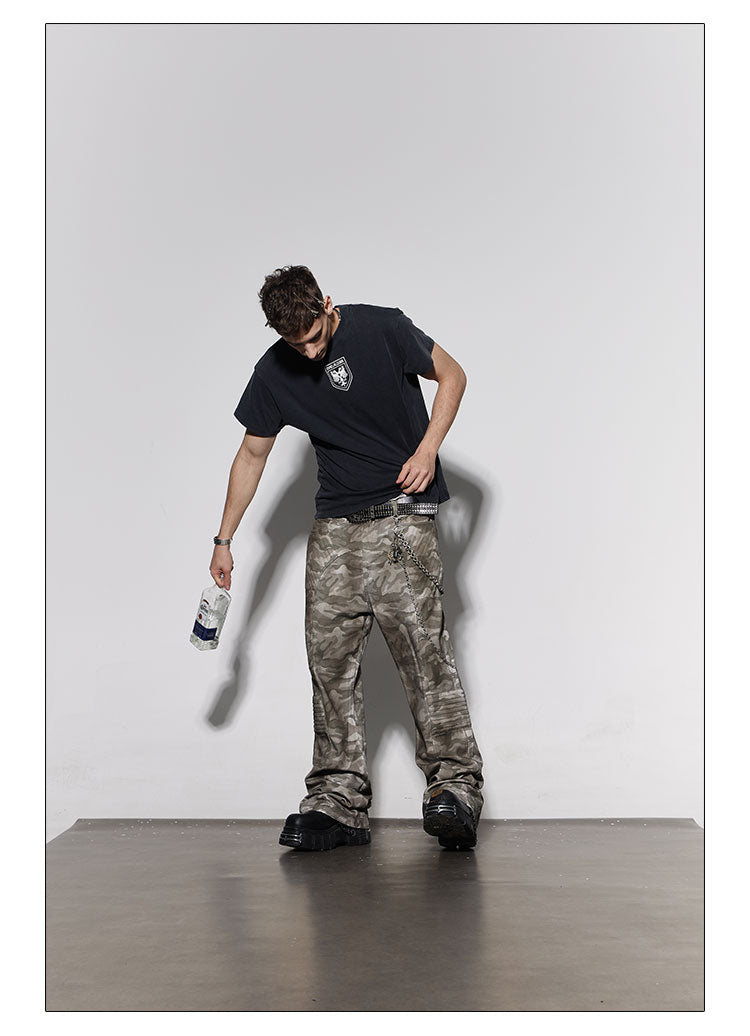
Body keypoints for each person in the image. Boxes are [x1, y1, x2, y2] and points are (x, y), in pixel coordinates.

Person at [209, 265, 484, 851]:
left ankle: (456, 789)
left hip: (402, 517)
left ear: (327, 304)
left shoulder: (382, 328)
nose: (308, 352)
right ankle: (337, 802)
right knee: (330, 666)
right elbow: (252, 454)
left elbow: (453, 374)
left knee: (424, 658)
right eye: (295, 343)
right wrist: (224, 540)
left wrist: (428, 450)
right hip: (334, 529)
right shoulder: (274, 370)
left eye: (314, 336)